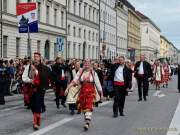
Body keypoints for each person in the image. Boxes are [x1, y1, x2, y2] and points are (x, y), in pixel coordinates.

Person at [65, 59, 103, 131]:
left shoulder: (94, 73)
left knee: (89, 106)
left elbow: (98, 84)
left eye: (88, 63)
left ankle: (87, 123)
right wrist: (67, 88)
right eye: (85, 63)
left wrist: (101, 93)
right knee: (84, 108)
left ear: (90, 65)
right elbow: (74, 81)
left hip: (91, 92)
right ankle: (87, 120)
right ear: (84, 64)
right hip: (82, 92)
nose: (87, 65)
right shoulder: (80, 72)